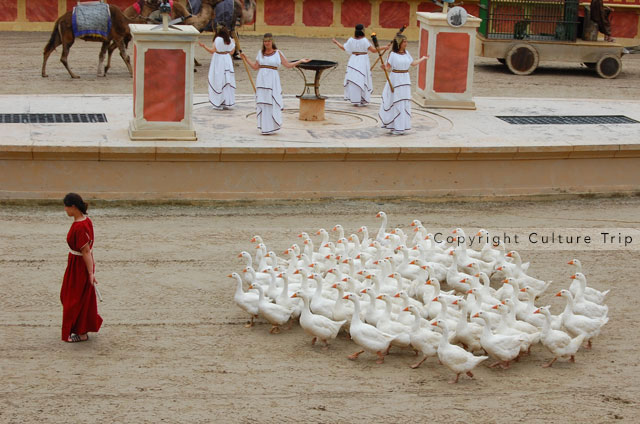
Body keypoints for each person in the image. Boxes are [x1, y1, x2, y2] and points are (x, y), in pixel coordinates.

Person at [240, 33, 310, 135]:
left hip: (273, 80)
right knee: (264, 102)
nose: (267, 43)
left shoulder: (278, 53)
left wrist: (300, 61)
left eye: (268, 41)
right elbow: (255, 67)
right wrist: (245, 59)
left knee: (271, 101)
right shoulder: (260, 53)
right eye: (265, 41)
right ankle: (264, 127)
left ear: (272, 41)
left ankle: (272, 126)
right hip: (262, 80)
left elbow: (287, 65)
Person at [61, 193, 102, 343]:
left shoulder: (79, 226)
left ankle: (82, 332)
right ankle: (80, 329)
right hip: (79, 263)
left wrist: (90, 273)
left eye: (66, 206)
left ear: (73, 207)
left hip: (79, 265)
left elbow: (85, 251)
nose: (65, 210)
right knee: (79, 297)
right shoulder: (87, 221)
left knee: (74, 299)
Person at [378, 34, 427, 135]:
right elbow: (388, 67)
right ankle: (394, 125)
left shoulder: (407, 53)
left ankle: (401, 126)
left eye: (406, 41)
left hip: (405, 79)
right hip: (395, 79)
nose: (406, 43)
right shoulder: (392, 54)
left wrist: (423, 58)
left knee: (403, 102)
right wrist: (383, 67)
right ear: (399, 42)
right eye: (404, 41)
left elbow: (412, 63)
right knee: (395, 101)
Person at [332, 24, 386, 107]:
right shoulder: (364, 40)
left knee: (355, 78)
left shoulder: (351, 40)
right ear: (363, 31)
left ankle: (356, 99)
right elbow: (374, 50)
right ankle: (358, 98)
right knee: (360, 79)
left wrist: (336, 42)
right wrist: (384, 47)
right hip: (362, 60)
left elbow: (343, 48)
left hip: (353, 60)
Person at [199, 26, 236, 110]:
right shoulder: (230, 40)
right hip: (227, 59)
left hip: (218, 59)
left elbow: (212, 51)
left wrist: (204, 46)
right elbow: (232, 52)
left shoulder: (217, 39)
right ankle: (226, 101)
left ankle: (218, 101)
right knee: (226, 80)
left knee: (218, 80)